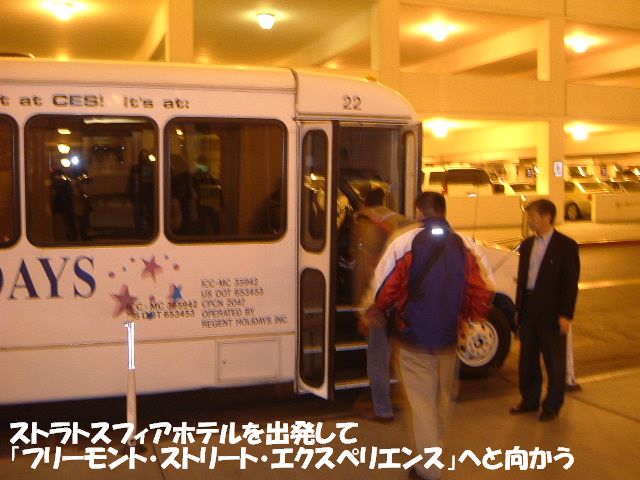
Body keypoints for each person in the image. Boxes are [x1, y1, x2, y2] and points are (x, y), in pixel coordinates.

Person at [364, 192, 494, 480]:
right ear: (444, 211)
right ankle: (434, 450)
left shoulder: (405, 242)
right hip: (448, 341)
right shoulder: (465, 245)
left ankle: (429, 469)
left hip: (415, 339)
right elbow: (483, 291)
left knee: (422, 405)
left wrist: (377, 309)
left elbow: (386, 286)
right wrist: (469, 320)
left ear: (419, 211)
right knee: (441, 401)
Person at [510, 199, 580, 421]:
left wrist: (566, 315)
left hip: (552, 311)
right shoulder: (528, 245)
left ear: (547, 217)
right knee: (528, 358)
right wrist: (519, 308)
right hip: (529, 308)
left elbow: (570, 284)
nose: (530, 221)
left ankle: (552, 404)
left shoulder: (566, 246)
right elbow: (522, 281)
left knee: (554, 361)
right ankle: (529, 400)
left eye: (533, 216)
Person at [353, 187, 413, 423]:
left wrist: (365, 308)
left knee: (377, 358)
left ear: (365, 204)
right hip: (405, 303)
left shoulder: (367, 225)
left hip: (381, 303)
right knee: (403, 355)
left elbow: (369, 272)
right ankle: (409, 400)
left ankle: (382, 409)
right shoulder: (404, 224)